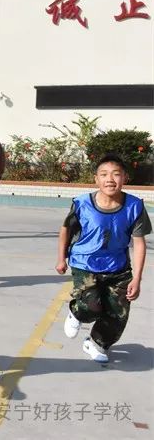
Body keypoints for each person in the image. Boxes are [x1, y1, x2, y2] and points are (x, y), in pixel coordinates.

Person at [56, 154, 150, 363]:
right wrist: (61, 258)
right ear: (96, 179)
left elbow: (139, 243)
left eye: (116, 174)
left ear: (125, 178)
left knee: (118, 313)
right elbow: (66, 230)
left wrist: (137, 278)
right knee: (91, 308)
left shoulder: (134, 206)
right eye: (104, 174)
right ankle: (76, 312)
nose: (110, 179)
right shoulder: (82, 204)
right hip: (85, 264)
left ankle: (97, 343)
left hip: (118, 268)